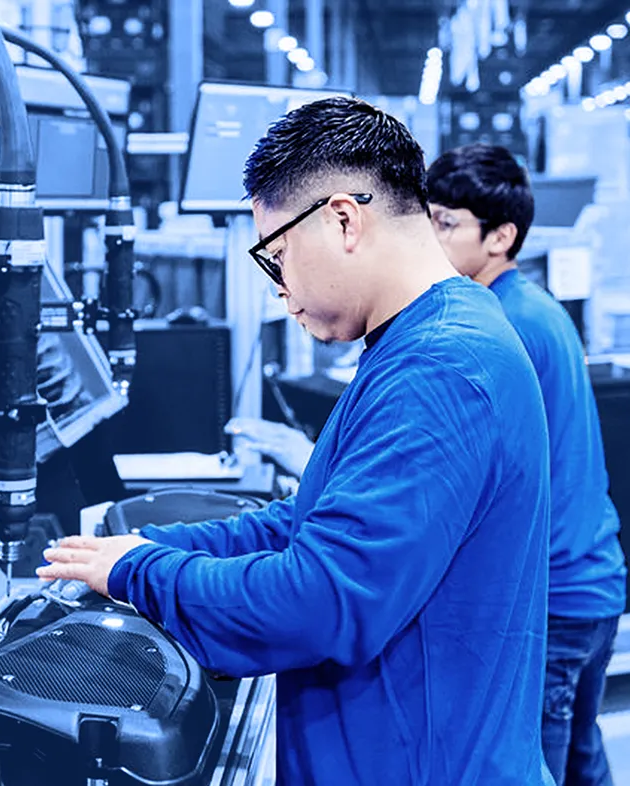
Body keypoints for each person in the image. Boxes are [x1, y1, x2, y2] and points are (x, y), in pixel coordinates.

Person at [38, 97, 555, 785]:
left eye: (278, 256)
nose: (281, 290)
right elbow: (310, 524)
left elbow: (322, 599)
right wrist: (152, 550)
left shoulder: (441, 368)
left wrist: (143, 575)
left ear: (343, 219)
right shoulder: (425, 338)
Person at [427, 142, 626, 786]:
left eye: (447, 223)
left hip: (558, 599)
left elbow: (471, 475)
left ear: (501, 236)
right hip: (592, 585)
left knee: (535, 767)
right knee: (582, 765)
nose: (429, 237)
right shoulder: (532, 306)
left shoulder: (500, 324)